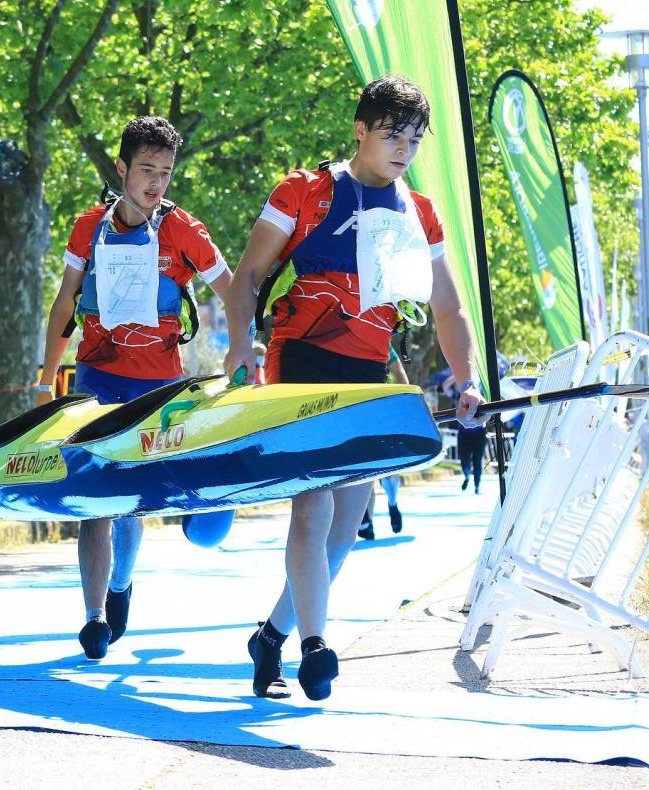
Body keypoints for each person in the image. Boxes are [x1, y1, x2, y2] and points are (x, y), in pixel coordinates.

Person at [224, 76, 485, 701]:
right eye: (392, 135)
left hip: (367, 373)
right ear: (361, 130)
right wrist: (238, 344)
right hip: (301, 360)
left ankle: (270, 636)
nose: (404, 149)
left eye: (414, 139)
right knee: (312, 509)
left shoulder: (420, 213)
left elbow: (448, 308)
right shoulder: (303, 191)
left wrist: (468, 380)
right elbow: (249, 275)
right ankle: (316, 644)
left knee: (346, 528)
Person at [37, 116, 232, 660]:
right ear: (122, 168)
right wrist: (45, 379)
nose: (156, 182)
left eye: (166, 172)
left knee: (132, 504)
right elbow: (65, 302)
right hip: (97, 378)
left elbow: (234, 290)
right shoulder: (88, 228)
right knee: (96, 500)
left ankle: (121, 583)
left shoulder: (184, 230)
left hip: (161, 386)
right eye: (146, 169)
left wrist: (242, 351)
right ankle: (94, 617)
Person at [359, 346, 410, 540]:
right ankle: (366, 520)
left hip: (383, 411)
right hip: (357, 411)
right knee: (365, 469)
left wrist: (404, 404)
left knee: (387, 468)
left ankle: (392, 503)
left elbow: (399, 372)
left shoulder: (382, 341)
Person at [444, 374, 485, 494]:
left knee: (477, 460)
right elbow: (445, 386)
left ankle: (477, 486)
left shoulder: (483, 393)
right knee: (464, 461)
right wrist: (457, 375)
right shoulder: (457, 396)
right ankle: (467, 476)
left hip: (479, 433)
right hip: (464, 434)